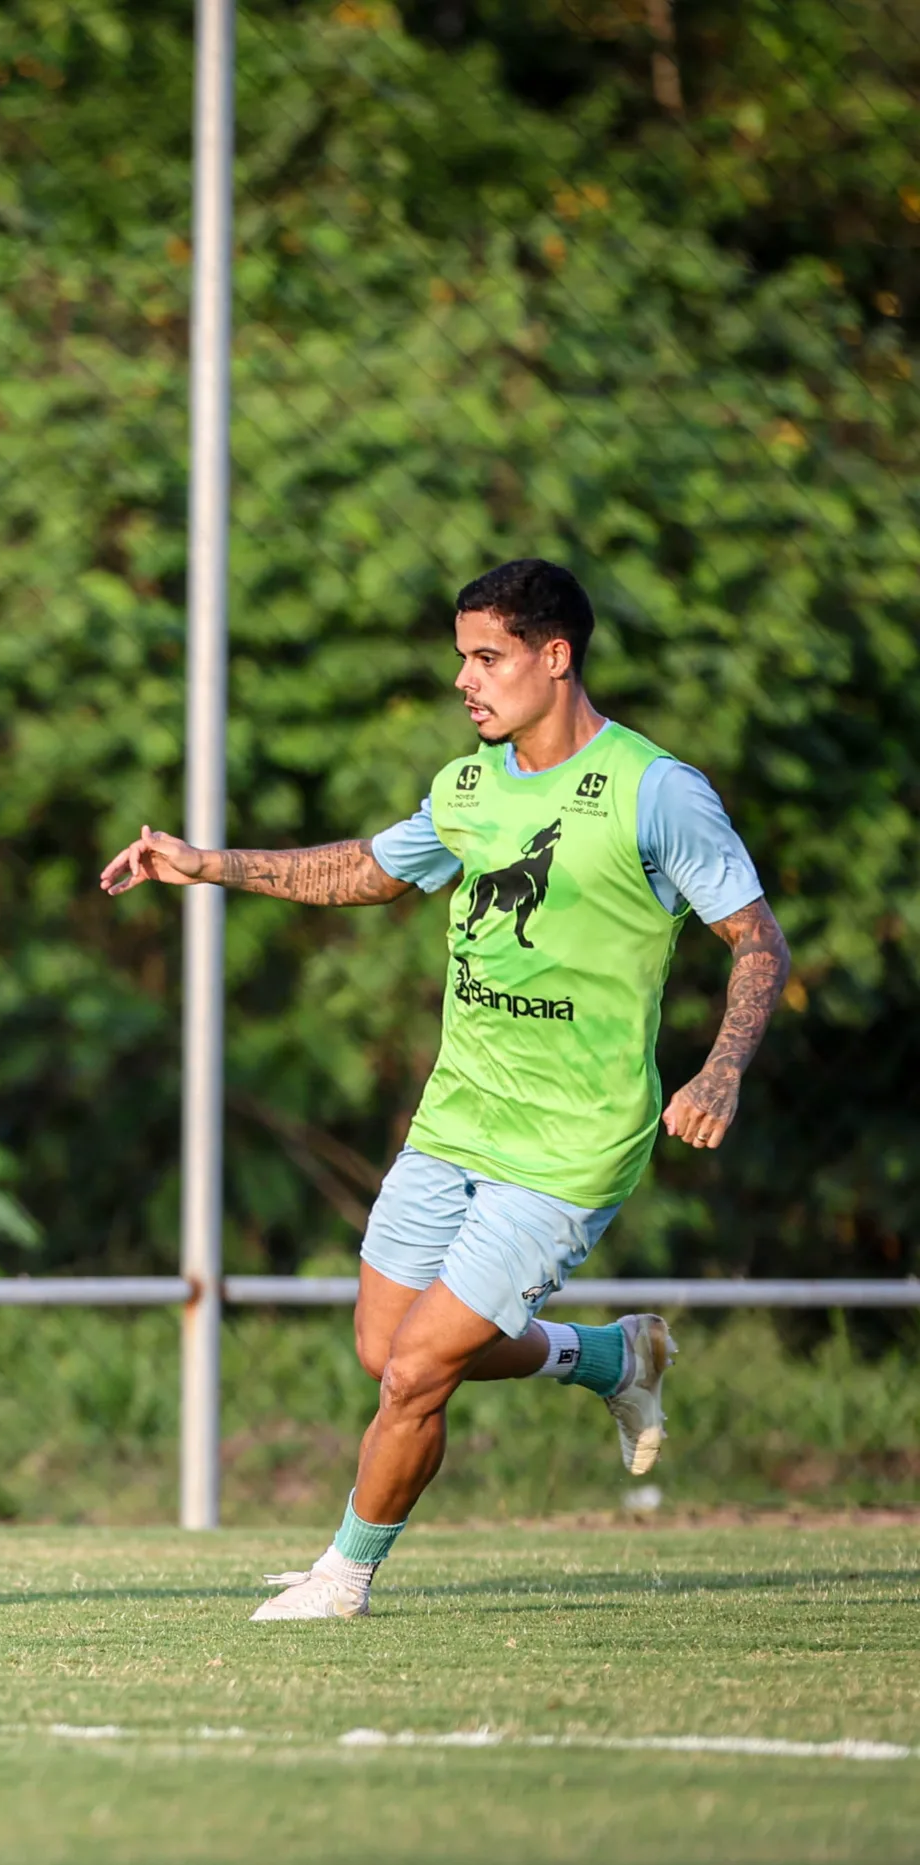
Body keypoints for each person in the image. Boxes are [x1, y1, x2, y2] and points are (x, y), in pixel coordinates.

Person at [99, 559, 789, 1620]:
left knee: (418, 1370)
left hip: (570, 1141)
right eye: (460, 657)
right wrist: (208, 865)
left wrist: (720, 1067)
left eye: (487, 657)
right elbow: (370, 869)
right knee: (385, 1350)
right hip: (454, 1119)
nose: (465, 680)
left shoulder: (656, 791)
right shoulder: (467, 786)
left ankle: (343, 1576)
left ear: (554, 658)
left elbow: (755, 941)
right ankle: (610, 1354)